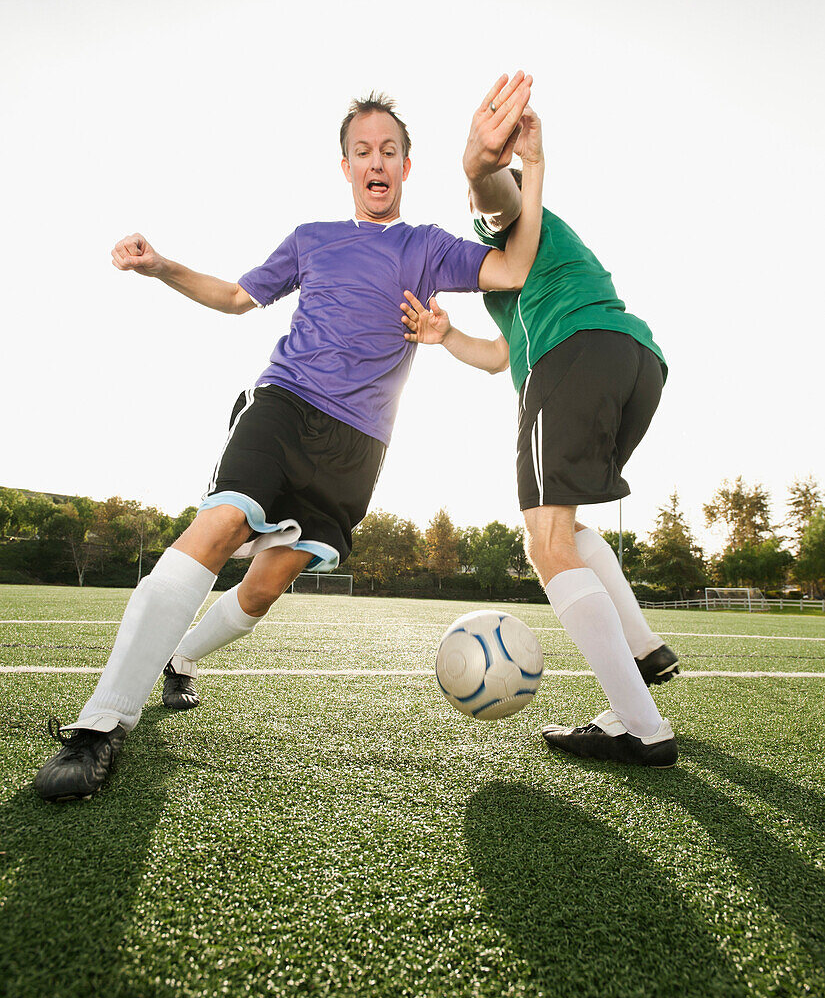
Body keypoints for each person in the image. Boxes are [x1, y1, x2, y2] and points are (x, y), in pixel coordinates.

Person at [34, 77, 545, 801]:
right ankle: (99, 726)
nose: (375, 160)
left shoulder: (429, 247)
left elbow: (515, 268)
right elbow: (237, 298)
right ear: (345, 167)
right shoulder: (312, 239)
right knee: (221, 523)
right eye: (362, 149)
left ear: (405, 166)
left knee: (266, 583)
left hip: (358, 445)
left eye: (389, 150)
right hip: (283, 405)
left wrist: (534, 163)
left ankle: (180, 656)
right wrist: (161, 266)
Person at [400, 114, 680, 769]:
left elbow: (496, 196)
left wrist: (484, 167)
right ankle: (642, 648)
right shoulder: (522, 284)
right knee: (569, 532)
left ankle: (640, 726)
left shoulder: (510, 222)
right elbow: (499, 357)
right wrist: (444, 337)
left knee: (544, 543)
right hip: (631, 361)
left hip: (574, 360)